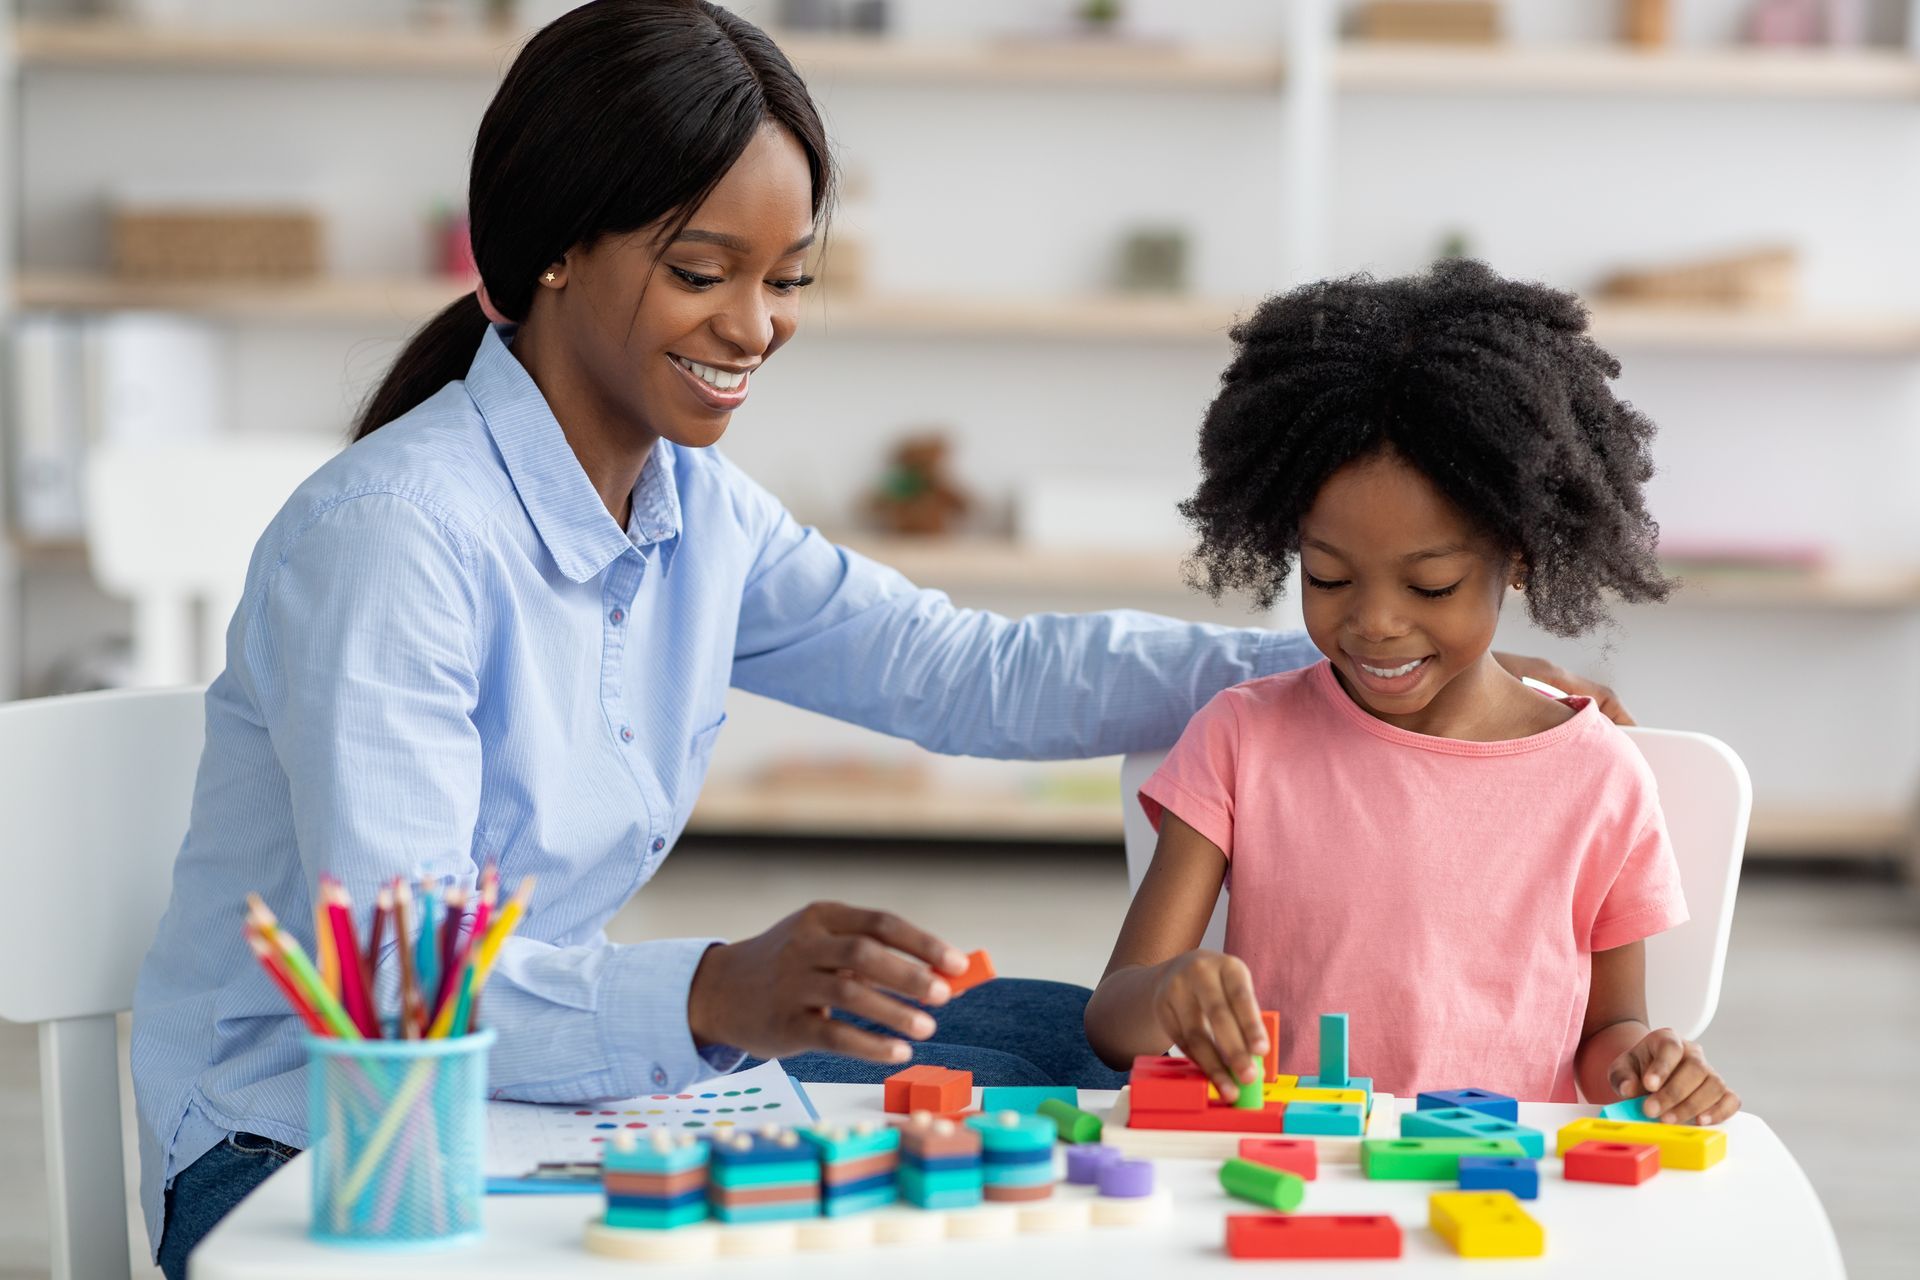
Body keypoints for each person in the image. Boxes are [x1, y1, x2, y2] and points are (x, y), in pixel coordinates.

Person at [129, 6, 1623, 1273]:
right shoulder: (397, 538)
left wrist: (1355, 668)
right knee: (998, 1070)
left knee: (1062, 1044)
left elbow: (965, 670)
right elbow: (405, 985)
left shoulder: (688, 510)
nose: (755, 326)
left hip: (537, 1099)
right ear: (551, 253)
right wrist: (718, 991)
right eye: (703, 271)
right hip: (313, 1153)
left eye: (785, 279)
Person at [1084, 260, 1740, 1126]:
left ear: (1519, 556)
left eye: (1430, 587)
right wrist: (1168, 993)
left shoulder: (1601, 777)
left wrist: (1650, 1067)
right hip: (1291, 1168)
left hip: (1493, 1186)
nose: (1375, 625)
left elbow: (1608, 1031)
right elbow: (1110, 1022)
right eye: (1327, 577)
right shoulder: (1242, 738)